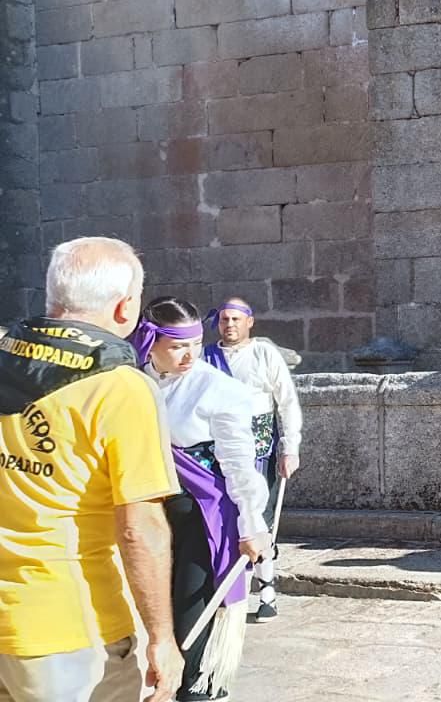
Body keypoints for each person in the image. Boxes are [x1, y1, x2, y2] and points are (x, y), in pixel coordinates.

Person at [0, 237, 184, 702]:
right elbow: (140, 528)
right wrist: (162, 638)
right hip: (68, 627)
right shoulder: (120, 388)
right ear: (125, 309)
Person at [133, 297, 272, 702]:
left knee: (191, 623)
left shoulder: (219, 390)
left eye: (195, 342)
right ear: (152, 341)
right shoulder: (133, 383)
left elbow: (240, 465)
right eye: (177, 345)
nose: (189, 353)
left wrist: (252, 524)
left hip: (200, 518)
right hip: (145, 513)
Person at [203, 297, 302, 622]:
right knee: (226, 519)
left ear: (249, 321)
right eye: (224, 320)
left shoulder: (263, 353)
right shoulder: (206, 357)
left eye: (235, 319)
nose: (229, 325)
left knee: (258, 517)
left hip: (258, 448)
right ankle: (229, 590)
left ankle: (268, 589)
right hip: (219, 448)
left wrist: (290, 447)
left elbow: (286, 401)